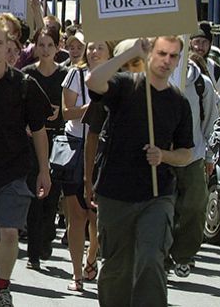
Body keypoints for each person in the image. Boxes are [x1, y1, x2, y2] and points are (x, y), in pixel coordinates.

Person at [86, 36, 194, 306]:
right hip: (116, 192)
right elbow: (93, 82)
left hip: (157, 195)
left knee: (150, 258)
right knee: (117, 266)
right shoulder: (126, 86)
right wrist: (130, 52)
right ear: (150, 54)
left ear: (179, 60)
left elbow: (185, 153)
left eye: (173, 56)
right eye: (161, 54)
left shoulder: (179, 102)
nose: (166, 61)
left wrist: (163, 155)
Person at [0, 17, 52, 307]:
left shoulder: (25, 85)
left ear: (9, 47)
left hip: (15, 171)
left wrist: (44, 170)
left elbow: (39, 131)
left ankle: (2, 288)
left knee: (10, 231)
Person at [60, 40, 112, 291]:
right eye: (90, 47)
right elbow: (66, 112)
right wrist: (90, 107)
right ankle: (76, 274)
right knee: (78, 215)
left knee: (97, 216)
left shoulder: (118, 81)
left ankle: (92, 256)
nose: (93, 52)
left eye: (99, 47)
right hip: (75, 146)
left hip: (104, 150)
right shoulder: (75, 74)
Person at [167, 53, 219, 277]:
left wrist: (207, 156)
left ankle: (184, 255)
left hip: (193, 156)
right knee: (163, 207)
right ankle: (161, 254)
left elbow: (210, 120)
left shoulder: (201, 84)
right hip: (163, 156)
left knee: (194, 208)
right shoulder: (157, 79)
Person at [21, 27, 67, 269]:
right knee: (34, 197)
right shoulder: (27, 75)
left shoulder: (65, 75)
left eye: (50, 45)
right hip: (32, 144)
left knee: (52, 197)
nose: (46, 49)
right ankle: (33, 253)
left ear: (58, 47)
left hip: (58, 142)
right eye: (42, 44)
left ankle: (47, 236)